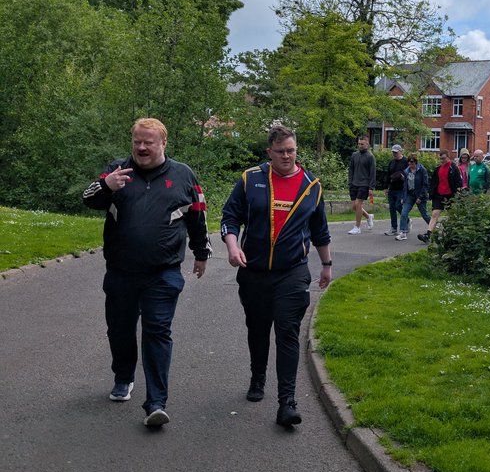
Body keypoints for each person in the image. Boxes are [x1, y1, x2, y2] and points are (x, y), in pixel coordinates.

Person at [83, 118, 211, 428]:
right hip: (121, 271)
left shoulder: (183, 175)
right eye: (137, 141)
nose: (141, 147)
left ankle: (156, 402)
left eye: (148, 142)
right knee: (120, 330)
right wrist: (106, 186)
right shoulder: (117, 170)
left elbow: (198, 214)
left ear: (163, 143)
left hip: (163, 272)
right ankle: (123, 376)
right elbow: (88, 199)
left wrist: (201, 252)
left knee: (157, 331)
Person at [221, 124, 332, 429]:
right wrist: (232, 247)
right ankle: (258, 377)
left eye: (291, 150)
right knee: (257, 328)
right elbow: (230, 218)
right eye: (280, 151)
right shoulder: (250, 179)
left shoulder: (312, 186)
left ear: (297, 150)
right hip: (254, 272)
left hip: (292, 272)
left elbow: (320, 230)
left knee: (286, 330)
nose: (286, 156)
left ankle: (288, 402)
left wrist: (326, 264)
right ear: (269, 152)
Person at [418, 150, 461, 242]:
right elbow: (434, 182)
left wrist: (457, 194)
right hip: (439, 195)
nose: (442, 160)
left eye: (444, 158)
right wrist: (431, 193)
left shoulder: (454, 168)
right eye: (440, 158)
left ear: (448, 157)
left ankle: (452, 234)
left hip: (450, 195)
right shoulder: (438, 169)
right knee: (434, 214)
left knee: (451, 215)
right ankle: (428, 235)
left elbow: (458, 183)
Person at [397, 152, 430, 241]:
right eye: (409, 162)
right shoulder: (407, 171)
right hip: (410, 195)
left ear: (416, 162)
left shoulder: (422, 170)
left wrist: (420, 197)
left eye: (412, 162)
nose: (410, 164)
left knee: (425, 214)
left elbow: (425, 184)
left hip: (419, 195)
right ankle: (403, 232)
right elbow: (405, 186)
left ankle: (434, 228)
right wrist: (403, 197)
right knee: (404, 213)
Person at [347, 135, 376, 234]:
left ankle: (357, 227)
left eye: (362, 144)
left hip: (364, 184)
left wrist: (371, 187)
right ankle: (368, 216)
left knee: (358, 204)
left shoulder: (370, 157)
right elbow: (351, 169)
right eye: (359, 144)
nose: (360, 146)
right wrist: (350, 182)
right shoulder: (354, 155)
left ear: (367, 144)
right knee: (354, 207)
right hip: (354, 183)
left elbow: (372, 173)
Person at [384, 144, 408, 236]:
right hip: (392, 188)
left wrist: (403, 178)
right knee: (392, 208)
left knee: (399, 206)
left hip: (401, 189)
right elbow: (387, 174)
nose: (394, 154)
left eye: (396, 152)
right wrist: (386, 187)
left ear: (400, 151)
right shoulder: (391, 162)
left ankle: (407, 220)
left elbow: (409, 174)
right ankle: (394, 228)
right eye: (393, 152)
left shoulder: (406, 161)